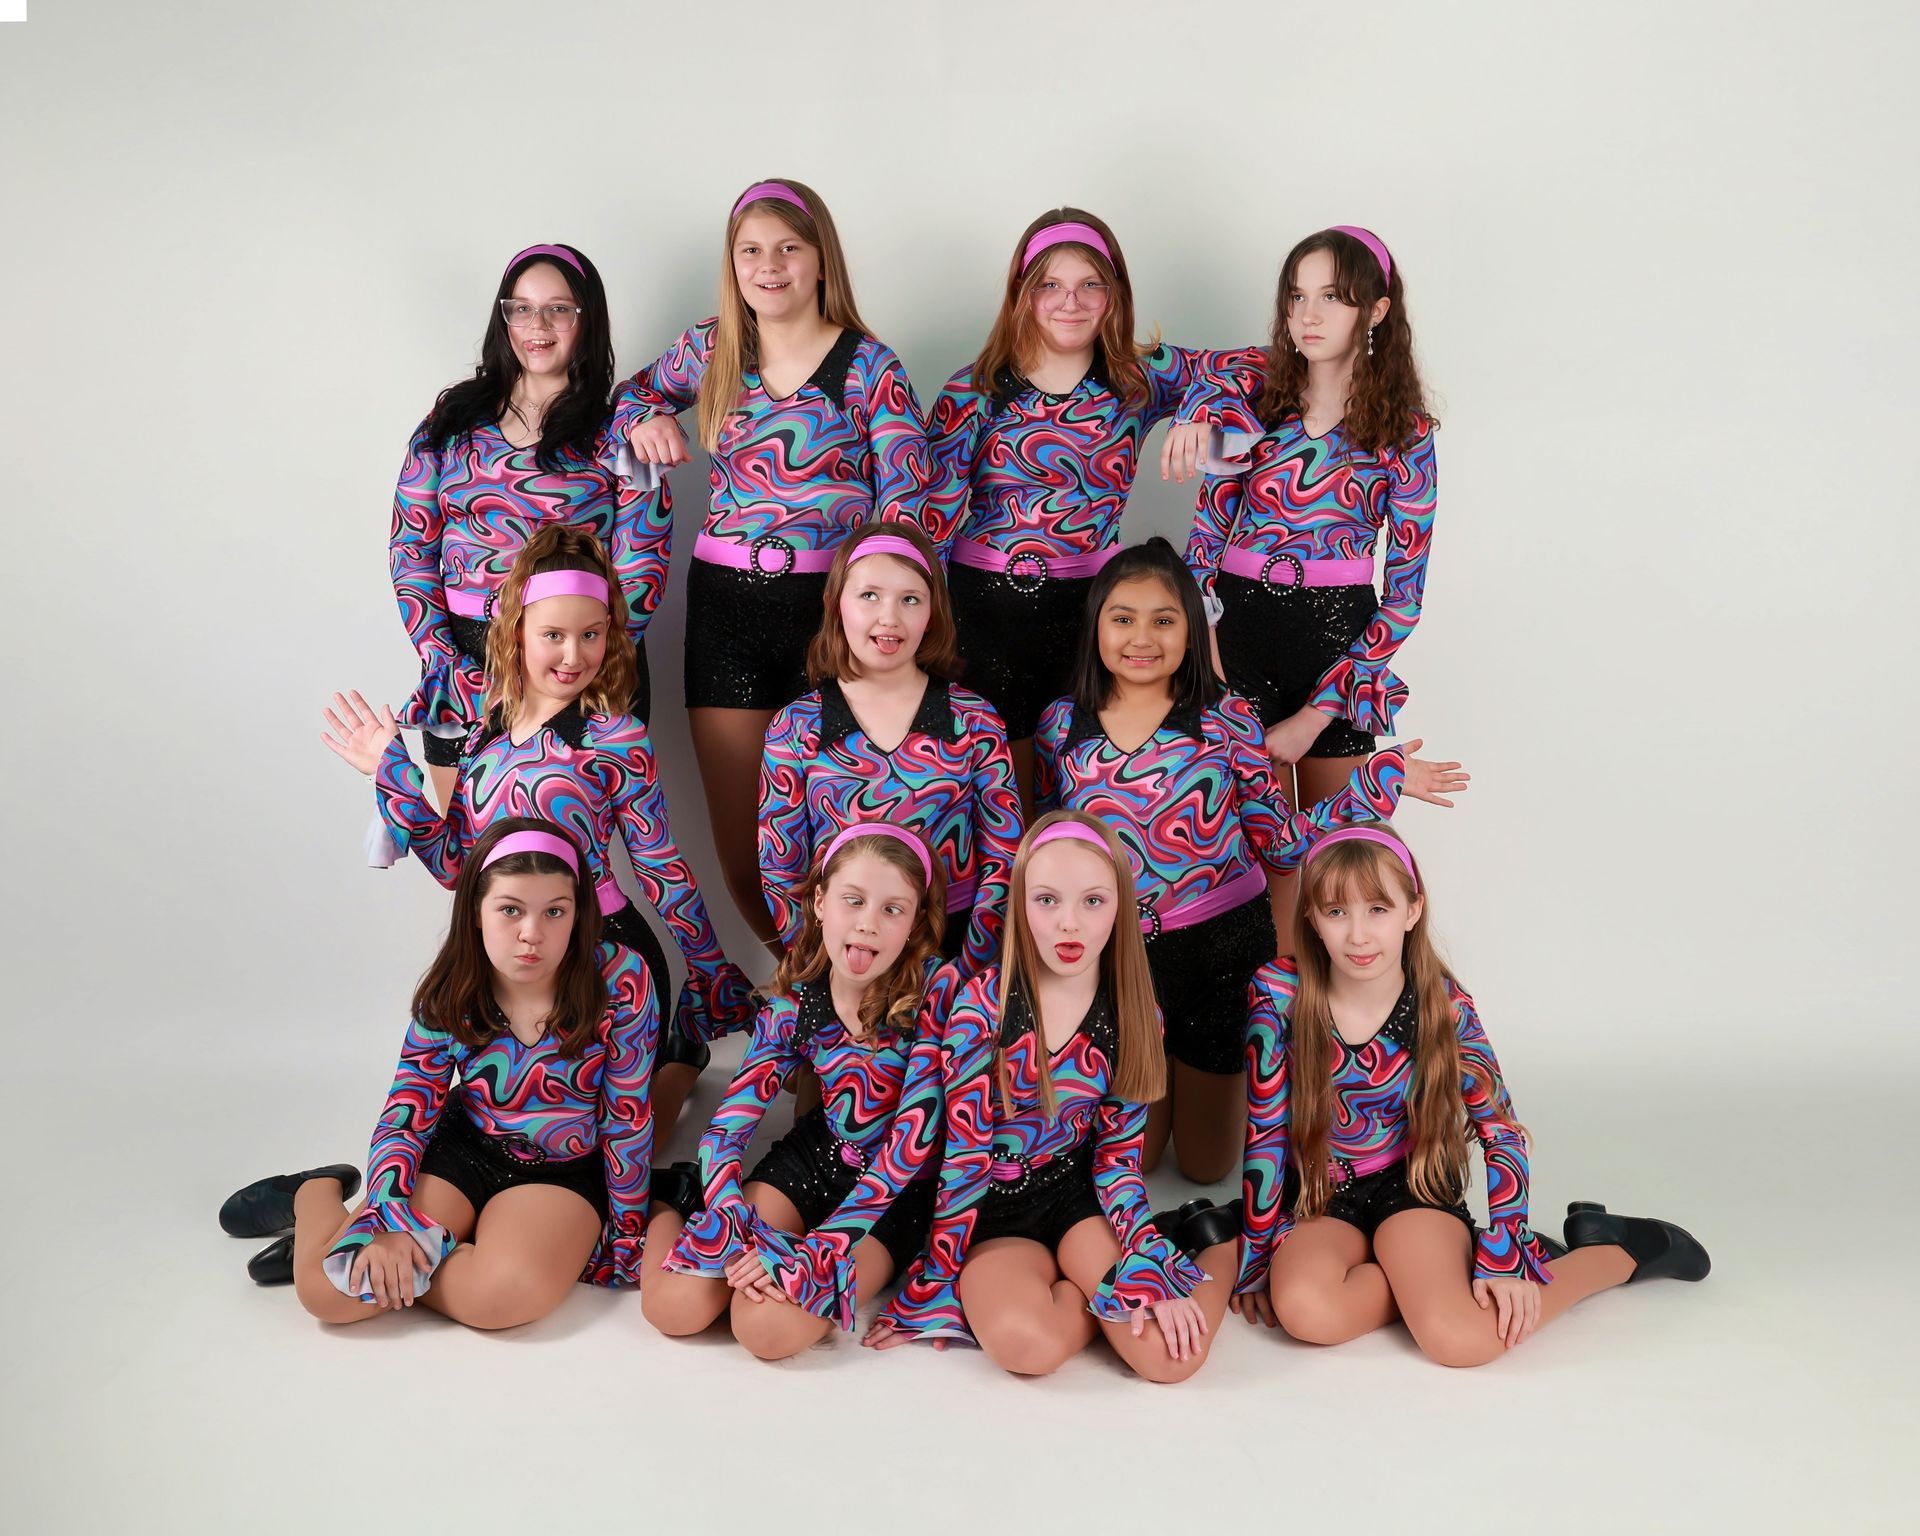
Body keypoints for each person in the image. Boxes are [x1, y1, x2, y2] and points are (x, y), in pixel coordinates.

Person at [1034, 539, 1467, 1180]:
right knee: (1138, 1162)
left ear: (1193, 628)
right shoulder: (1059, 726)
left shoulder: (1225, 721)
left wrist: (1377, 779)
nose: (1141, 638)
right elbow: (1052, 856)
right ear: (1095, 623)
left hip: (1222, 951)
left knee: (1209, 1168)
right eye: (1122, 618)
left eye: (1164, 619)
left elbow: (1284, 846)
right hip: (1122, 960)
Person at [323, 524, 753, 1150]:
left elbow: (664, 871)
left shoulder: (615, 738)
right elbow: (455, 868)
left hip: (604, 956)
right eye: (554, 635)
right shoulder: (482, 736)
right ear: (515, 630)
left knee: (602, 1152)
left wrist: (711, 972)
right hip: (512, 957)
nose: (574, 656)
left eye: (591, 635)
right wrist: (391, 770)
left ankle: (679, 1062)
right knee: (495, 1131)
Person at [1231, 825, 1711, 1364]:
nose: (1359, 936)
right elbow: (1266, 1131)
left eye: (1379, 910)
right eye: (1336, 912)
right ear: (1312, 920)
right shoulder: (1277, 993)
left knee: (1460, 1340)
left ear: (1413, 910)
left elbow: (1501, 1132)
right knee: (1303, 1311)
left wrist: (1504, 1250)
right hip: (1320, 1191)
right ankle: (1431, 1277)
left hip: (1410, 1186)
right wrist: (1254, 1257)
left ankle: (1616, 1251)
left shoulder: (1444, 1006)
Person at [614, 177, 933, 946]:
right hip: (724, 615)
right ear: (733, 266)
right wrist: (648, 418)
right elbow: (626, 400)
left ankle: (850, 1005)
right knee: (747, 853)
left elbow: (910, 517)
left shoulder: (869, 367)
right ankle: (804, 1010)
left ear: (822, 261)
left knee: (839, 849)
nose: (770, 265)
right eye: (751, 250)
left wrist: (885, 620)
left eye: (790, 247)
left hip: (832, 622)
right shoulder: (713, 347)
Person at [218, 819, 659, 1328]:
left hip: (560, 1172)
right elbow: (407, 1110)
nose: (531, 935)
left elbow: (627, 1115)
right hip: (464, 1149)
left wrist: (627, 1230)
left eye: (554, 912)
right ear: (476, 911)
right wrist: (387, 1215)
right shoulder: (452, 991)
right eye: (510, 910)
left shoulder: (622, 979)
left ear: (578, 914)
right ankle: (315, 1192)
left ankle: (413, 1256)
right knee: (325, 1296)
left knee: (497, 1300)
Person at [867, 812, 1236, 1383]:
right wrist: (934, 1282)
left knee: (1170, 1362)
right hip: (992, 1213)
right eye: (1047, 901)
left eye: (1093, 901)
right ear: (1020, 906)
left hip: (1074, 1200)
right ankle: (1091, 1296)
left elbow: (1117, 1164)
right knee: (1028, 1350)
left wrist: (1150, 1263)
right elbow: (962, 1161)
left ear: (1121, 907)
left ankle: (1208, 1248)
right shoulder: (981, 1008)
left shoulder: (1135, 1014)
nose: (1070, 924)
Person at [920, 208, 1229, 806]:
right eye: (1050, 285)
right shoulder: (976, 388)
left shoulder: (1137, 378)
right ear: (1022, 294)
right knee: (1002, 803)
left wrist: (1198, 412)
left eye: (1091, 284)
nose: (1072, 301)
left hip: (1092, 617)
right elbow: (929, 522)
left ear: (1114, 295)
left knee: (1085, 802)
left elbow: (1250, 369)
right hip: (985, 616)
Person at [1184, 226, 1441, 942]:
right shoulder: (1248, 409)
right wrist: (1210, 665)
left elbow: (1404, 595)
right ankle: (1273, 1030)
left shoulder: (1406, 433)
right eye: (1298, 296)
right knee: (1263, 866)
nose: (1310, 314)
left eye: (1332, 296)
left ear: (1377, 311)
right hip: (1237, 638)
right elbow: (1202, 548)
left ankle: (1335, 1030)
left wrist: (1316, 715)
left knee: (1341, 867)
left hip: (1339, 648)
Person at [642, 825, 952, 1358]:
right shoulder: (793, 1006)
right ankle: (669, 1202)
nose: (867, 924)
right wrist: (729, 1211)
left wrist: (808, 1255)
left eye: (892, 910)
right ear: (820, 903)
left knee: (767, 1332)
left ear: (916, 923)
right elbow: (726, 1130)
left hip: (891, 1197)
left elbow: (909, 1149)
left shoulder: (936, 997)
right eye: (853, 901)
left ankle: (792, 1259)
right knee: (676, 1309)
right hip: (812, 1163)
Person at [387, 242, 669, 809]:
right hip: (466, 660)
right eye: (521, 308)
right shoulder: (448, 423)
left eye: (560, 309)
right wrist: (447, 660)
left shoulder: (621, 430)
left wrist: (575, 662)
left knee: (568, 864)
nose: (538, 325)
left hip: (580, 662)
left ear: (587, 320)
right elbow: (410, 550)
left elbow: (643, 568)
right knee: (475, 863)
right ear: (504, 318)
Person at [760, 522, 1022, 971]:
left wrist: (969, 969)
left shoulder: (975, 719)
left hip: (954, 947)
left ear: (932, 614)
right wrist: (819, 967)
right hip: (840, 954)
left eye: (910, 600)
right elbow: (780, 867)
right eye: (869, 596)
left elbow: (1005, 858)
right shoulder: (794, 726)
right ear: (835, 604)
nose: (889, 618)